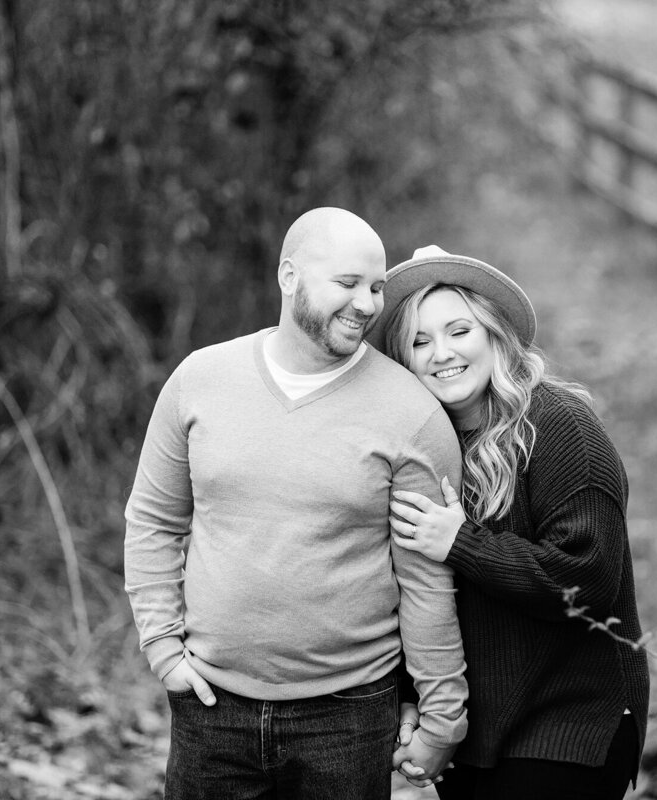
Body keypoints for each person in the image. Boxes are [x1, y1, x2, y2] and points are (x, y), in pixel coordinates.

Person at [123, 209, 467, 799]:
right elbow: (154, 520)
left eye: (378, 287)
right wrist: (161, 645)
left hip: (350, 716)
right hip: (211, 708)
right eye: (348, 283)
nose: (366, 304)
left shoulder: (411, 413)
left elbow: (427, 580)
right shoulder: (200, 380)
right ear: (289, 276)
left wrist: (443, 714)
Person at [374, 247, 650, 799]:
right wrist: (413, 694)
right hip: (479, 732)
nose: (441, 353)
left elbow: (583, 581)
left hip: (570, 722)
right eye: (420, 341)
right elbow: (414, 588)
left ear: (495, 334)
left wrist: (461, 541)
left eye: (458, 331)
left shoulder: (560, 427)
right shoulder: (422, 448)